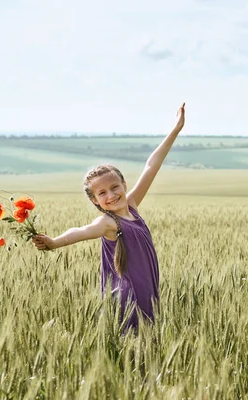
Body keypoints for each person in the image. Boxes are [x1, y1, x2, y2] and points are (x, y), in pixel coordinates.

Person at [32, 103, 186, 331]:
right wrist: (55, 242)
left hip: (146, 293)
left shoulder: (132, 205)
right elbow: (82, 231)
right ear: (95, 200)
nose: (111, 195)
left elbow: (151, 166)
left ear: (124, 185)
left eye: (115, 187)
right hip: (127, 298)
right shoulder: (108, 222)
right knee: (133, 345)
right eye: (102, 193)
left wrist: (175, 130)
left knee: (145, 344)